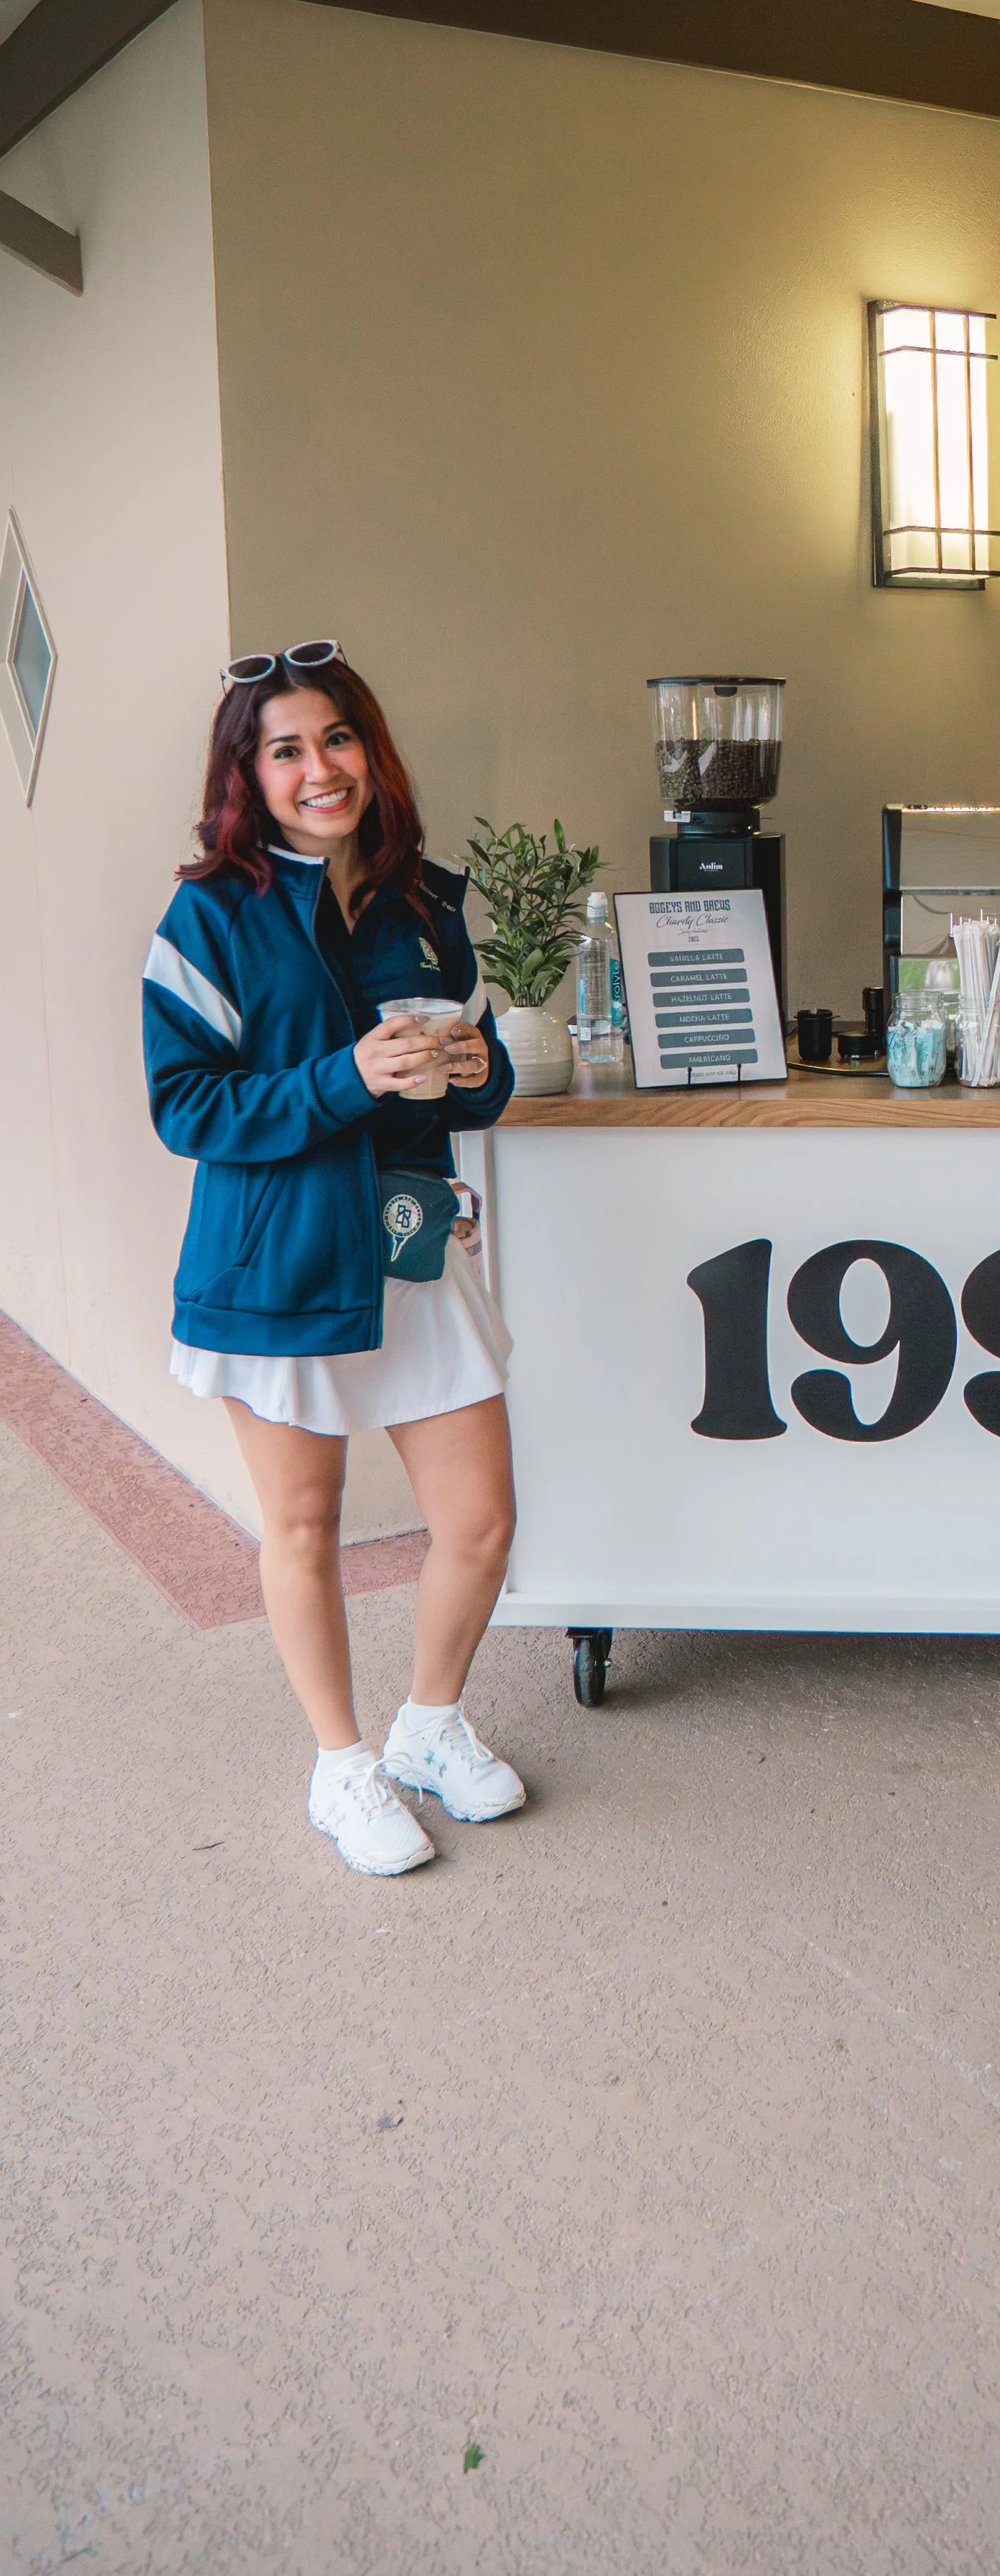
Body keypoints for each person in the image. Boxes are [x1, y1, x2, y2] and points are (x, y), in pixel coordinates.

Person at [145, 642, 526, 1878]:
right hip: (278, 1262)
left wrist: (480, 1073)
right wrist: (340, 1077)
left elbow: (479, 1069)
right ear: (248, 774)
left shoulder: (431, 900)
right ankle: (340, 1764)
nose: (322, 768)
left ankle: (428, 1725)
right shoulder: (209, 913)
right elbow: (187, 1106)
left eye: (339, 739)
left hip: (415, 1248)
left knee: (480, 1521)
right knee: (304, 1525)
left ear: (373, 749)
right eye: (288, 748)